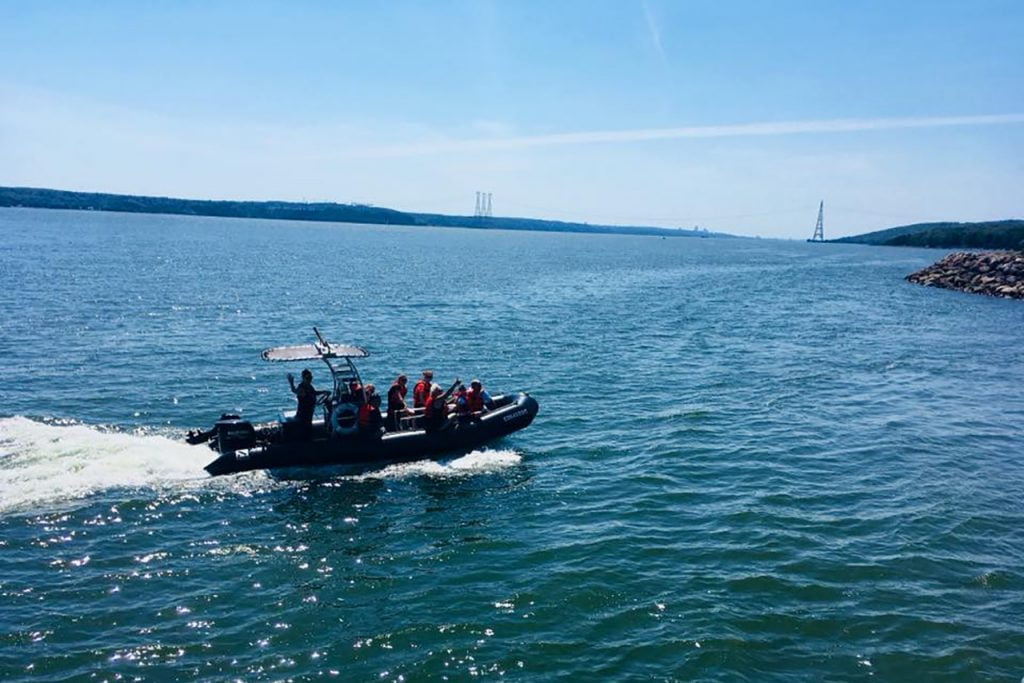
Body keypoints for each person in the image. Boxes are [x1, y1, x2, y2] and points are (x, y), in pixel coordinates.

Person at [287, 369, 329, 435]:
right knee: (306, 428)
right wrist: (291, 383)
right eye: (307, 378)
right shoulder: (302, 387)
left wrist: (324, 392)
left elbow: (314, 393)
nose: (309, 380)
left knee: (309, 425)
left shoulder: (309, 386)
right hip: (303, 413)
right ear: (303, 378)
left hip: (309, 411)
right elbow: (295, 391)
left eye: (310, 378)